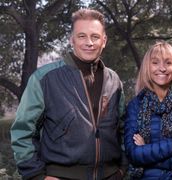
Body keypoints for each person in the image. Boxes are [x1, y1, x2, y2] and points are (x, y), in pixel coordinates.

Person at [10, 8, 127, 180]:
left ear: (104, 41)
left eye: (95, 36)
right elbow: (23, 131)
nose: (89, 42)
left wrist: (122, 168)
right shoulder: (44, 79)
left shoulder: (114, 80)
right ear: (71, 39)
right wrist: (36, 175)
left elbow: (123, 127)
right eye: (82, 36)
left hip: (111, 175)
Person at [124, 41, 172, 179]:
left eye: (168, 63)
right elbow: (133, 154)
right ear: (147, 67)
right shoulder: (135, 105)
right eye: (155, 63)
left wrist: (146, 154)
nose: (162, 68)